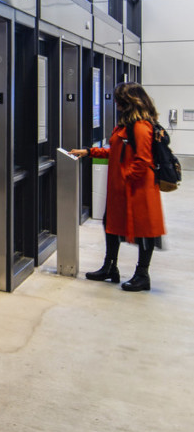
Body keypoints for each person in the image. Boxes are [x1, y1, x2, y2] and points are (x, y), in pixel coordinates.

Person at [71, 82, 165, 291]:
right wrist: (89, 152)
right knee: (110, 225)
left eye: (118, 101)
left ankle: (142, 275)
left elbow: (143, 160)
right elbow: (116, 151)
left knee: (144, 231)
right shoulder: (125, 126)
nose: (115, 104)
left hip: (138, 189)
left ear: (127, 102)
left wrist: (127, 178)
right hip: (122, 189)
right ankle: (110, 267)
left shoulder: (141, 126)